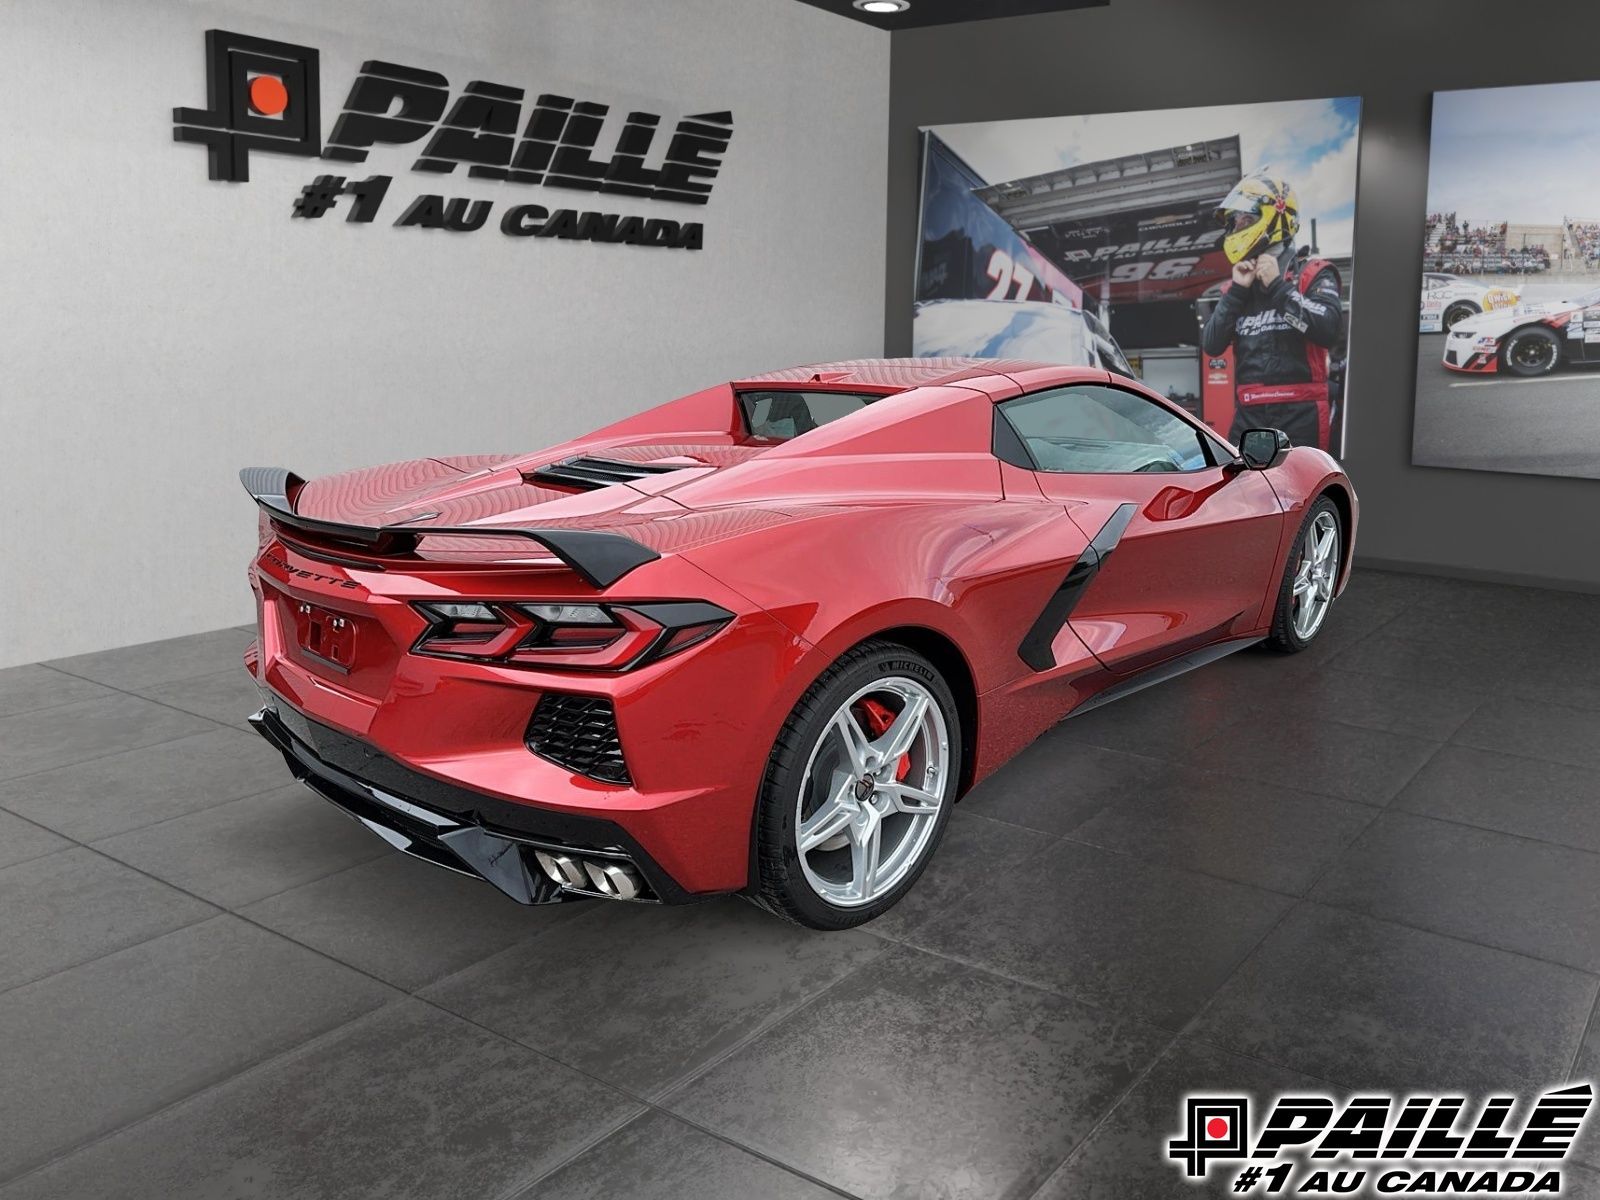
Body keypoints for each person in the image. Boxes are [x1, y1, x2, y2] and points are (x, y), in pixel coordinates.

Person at [1201, 172, 1343, 451]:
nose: (1236, 227)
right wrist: (1237, 293)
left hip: (1301, 414)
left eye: (1244, 219)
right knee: (1238, 492)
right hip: (1249, 413)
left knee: (1303, 493)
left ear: (1273, 217)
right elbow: (1212, 345)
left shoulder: (1312, 273)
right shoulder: (1238, 286)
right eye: (1234, 222)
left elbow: (1329, 329)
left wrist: (1279, 288)